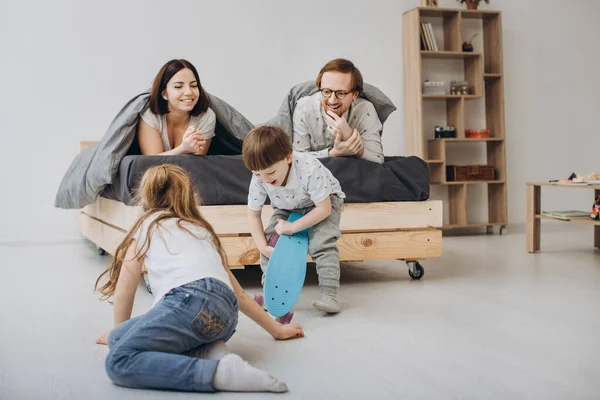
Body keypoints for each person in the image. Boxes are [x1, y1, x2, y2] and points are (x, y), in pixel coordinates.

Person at [94, 164, 304, 393]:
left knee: (119, 358)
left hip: (188, 300)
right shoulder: (202, 231)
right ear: (188, 196)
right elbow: (240, 296)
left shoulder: (147, 225)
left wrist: (121, 332)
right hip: (226, 317)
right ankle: (211, 352)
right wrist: (277, 330)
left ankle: (218, 374)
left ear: (146, 198)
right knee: (117, 337)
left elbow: (126, 288)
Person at [243, 125, 346, 316]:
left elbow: (324, 209)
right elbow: (253, 213)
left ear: (288, 157)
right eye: (257, 174)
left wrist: (294, 227)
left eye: (270, 173)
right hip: (287, 206)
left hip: (323, 202)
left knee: (322, 243)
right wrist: (262, 247)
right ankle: (271, 293)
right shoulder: (259, 177)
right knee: (269, 242)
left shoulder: (309, 168)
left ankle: (329, 296)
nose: (264, 180)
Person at [292, 58, 385, 164]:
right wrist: (334, 153)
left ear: (354, 94)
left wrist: (351, 138)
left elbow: (378, 160)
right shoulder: (304, 108)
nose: (332, 100)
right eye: (326, 91)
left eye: (340, 93)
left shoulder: (365, 109)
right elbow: (296, 160)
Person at [138, 59, 216, 156]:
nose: (189, 92)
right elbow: (151, 163)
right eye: (178, 86)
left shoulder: (206, 117)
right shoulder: (150, 116)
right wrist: (183, 149)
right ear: (164, 94)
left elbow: (195, 165)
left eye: (194, 85)